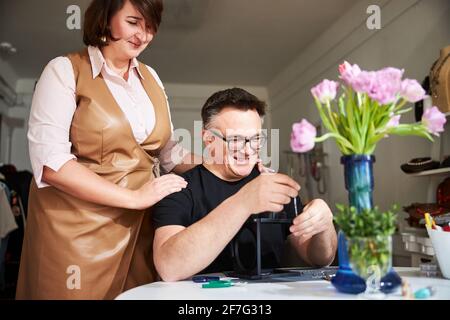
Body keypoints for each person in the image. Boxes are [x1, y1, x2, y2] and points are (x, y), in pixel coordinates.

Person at [16, 0, 201, 299]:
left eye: (151, 26)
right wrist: (135, 197)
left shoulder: (151, 78)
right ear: (106, 17)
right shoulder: (65, 70)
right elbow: (52, 164)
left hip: (140, 230)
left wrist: (224, 167)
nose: (143, 34)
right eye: (133, 22)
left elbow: (168, 155)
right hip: (78, 237)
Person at [152, 88, 337, 281]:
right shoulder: (179, 189)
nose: (248, 151)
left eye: (256, 139)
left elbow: (319, 259)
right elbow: (169, 268)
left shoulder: (275, 185)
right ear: (208, 139)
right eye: (236, 140)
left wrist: (324, 226)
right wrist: (244, 201)